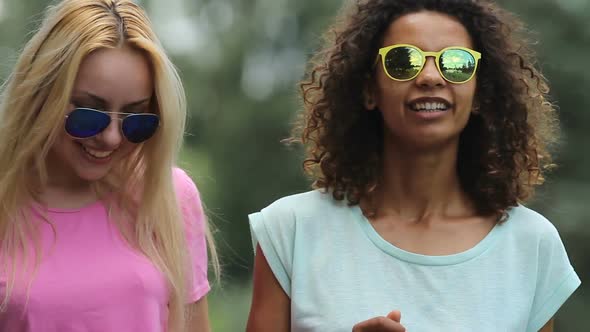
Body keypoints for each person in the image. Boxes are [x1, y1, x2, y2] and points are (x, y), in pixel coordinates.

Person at [246, 0, 581, 331]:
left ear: (479, 93)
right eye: (404, 61)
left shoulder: (531, 243)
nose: (431, 77)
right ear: (368, 90)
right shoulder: (291, 231)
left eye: (456, 63)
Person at [0, 1, 219, 331]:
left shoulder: (170, 197)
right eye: (89, 114)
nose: (112, 138)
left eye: (135, 120)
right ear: (42, 95)